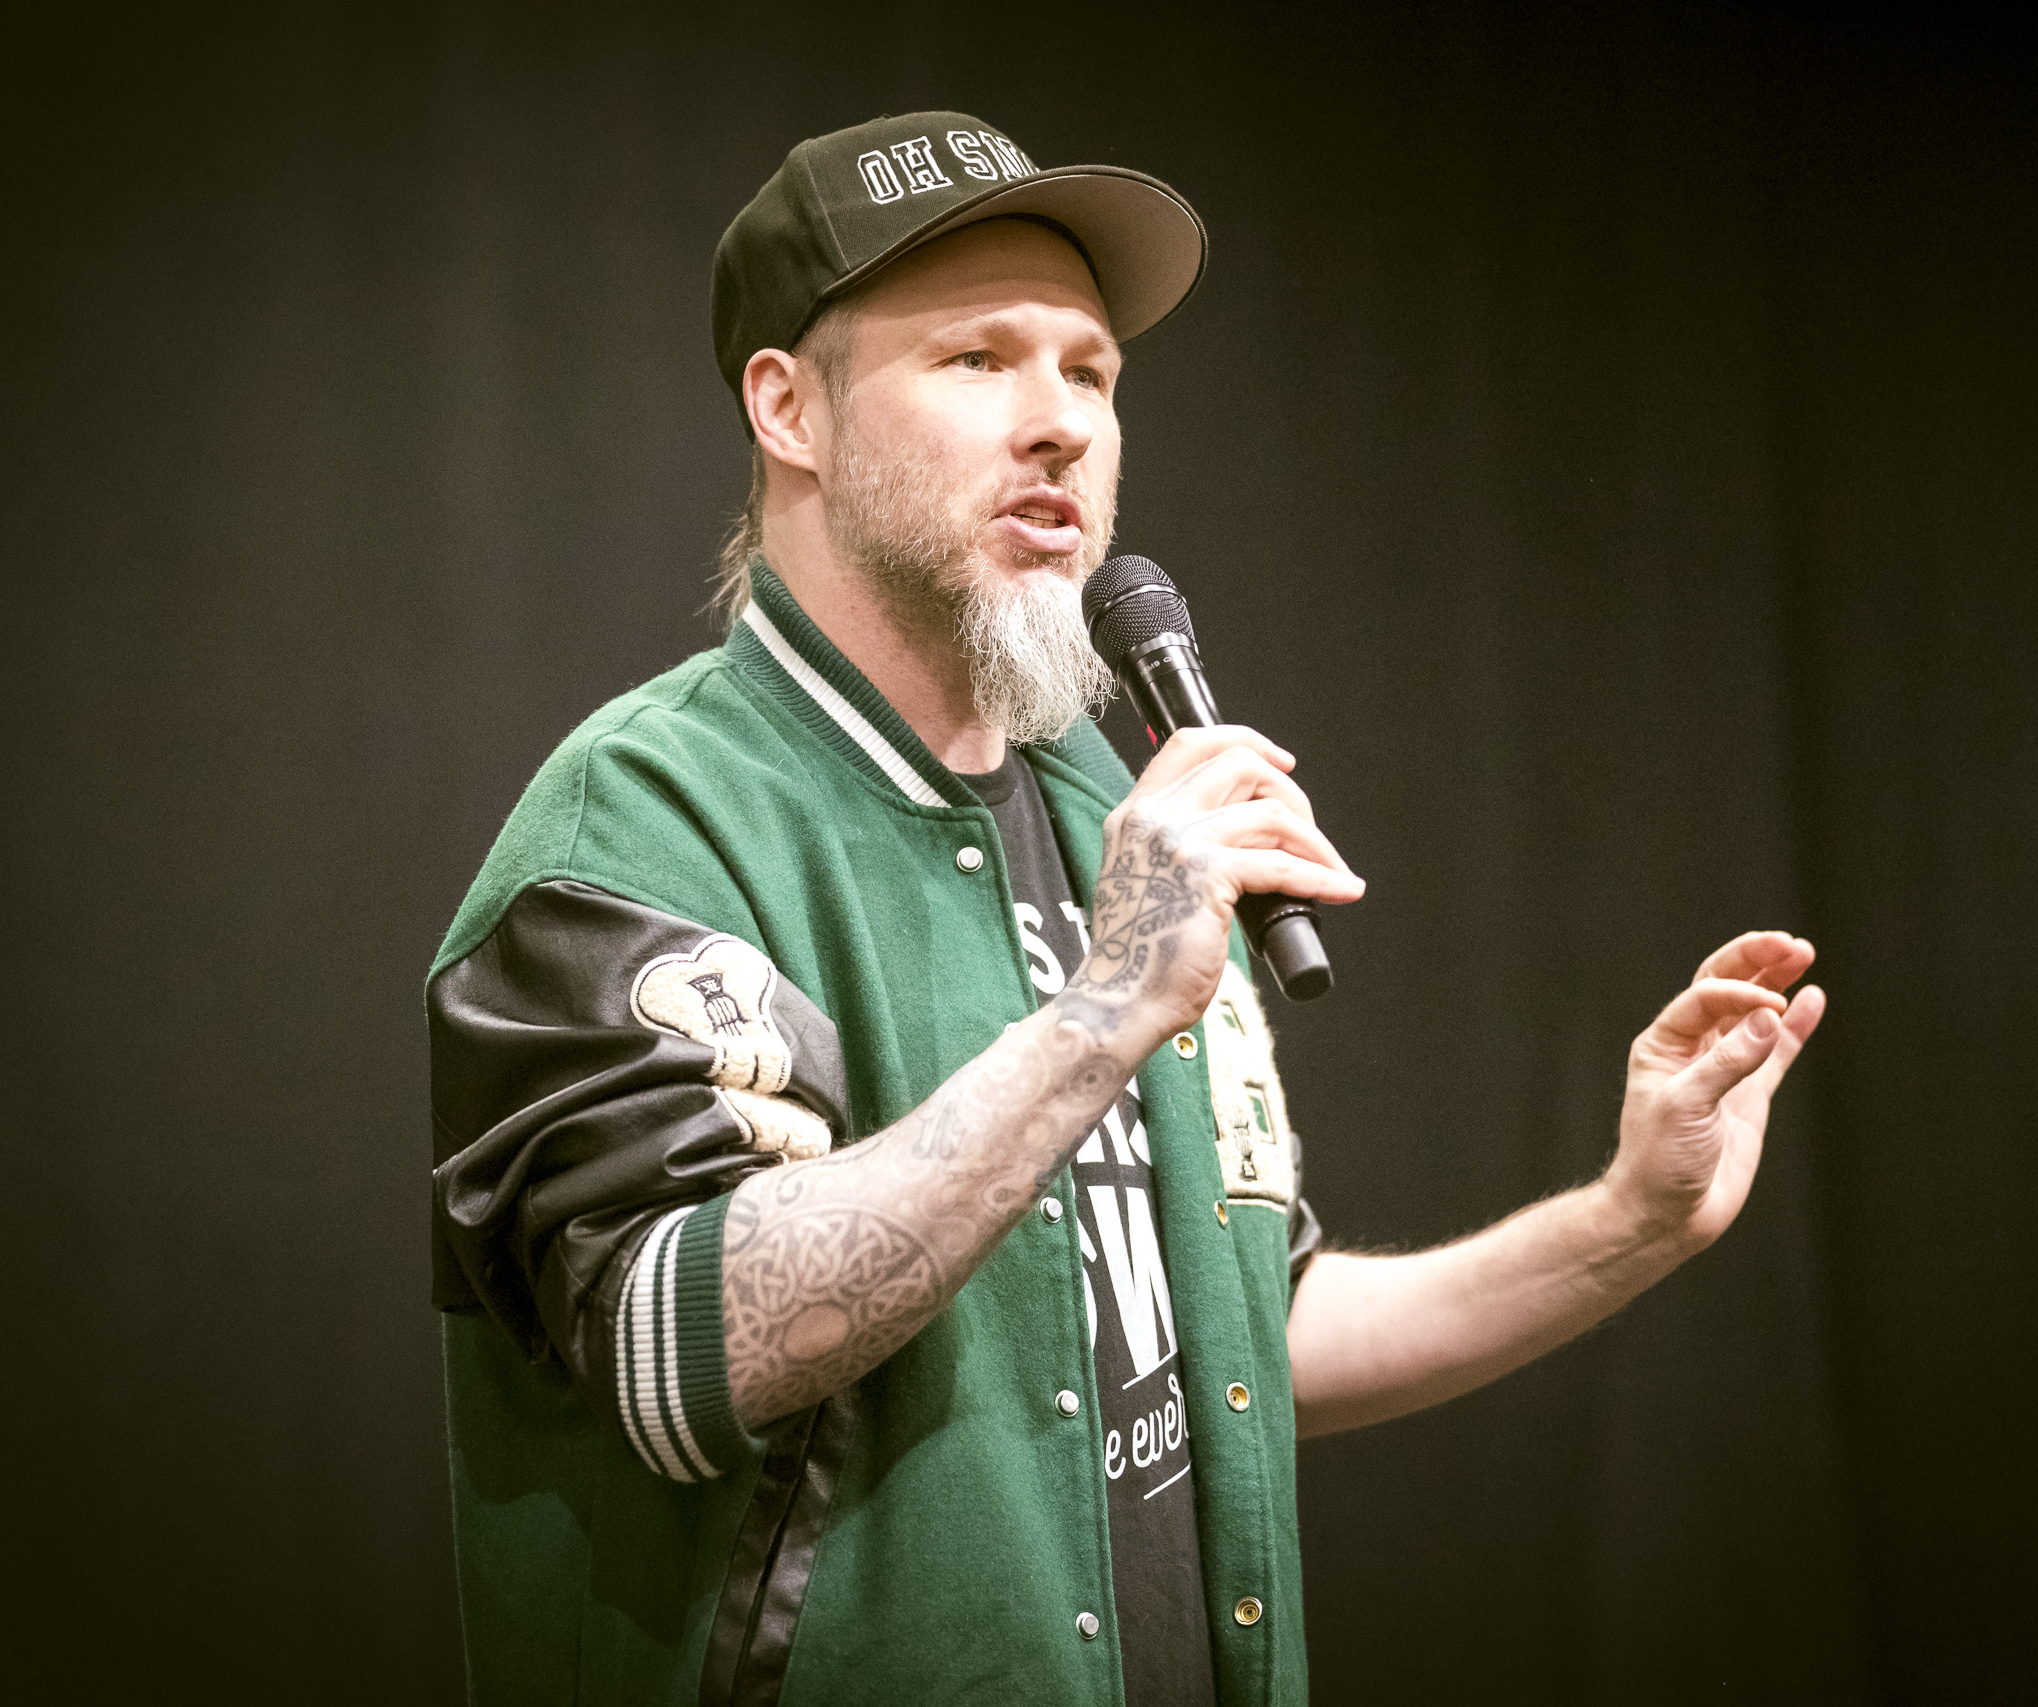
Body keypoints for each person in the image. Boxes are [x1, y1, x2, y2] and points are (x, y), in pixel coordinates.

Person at [426, 110, 1826, 1707]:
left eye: (1090, 372)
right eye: (977, 360)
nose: (1060, 426)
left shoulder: (1112, 807)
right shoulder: (642, 821)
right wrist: (1103, 1011)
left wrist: (1630, 1219)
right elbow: (680, 1351)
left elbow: (1242, 1339)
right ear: (788, 407)